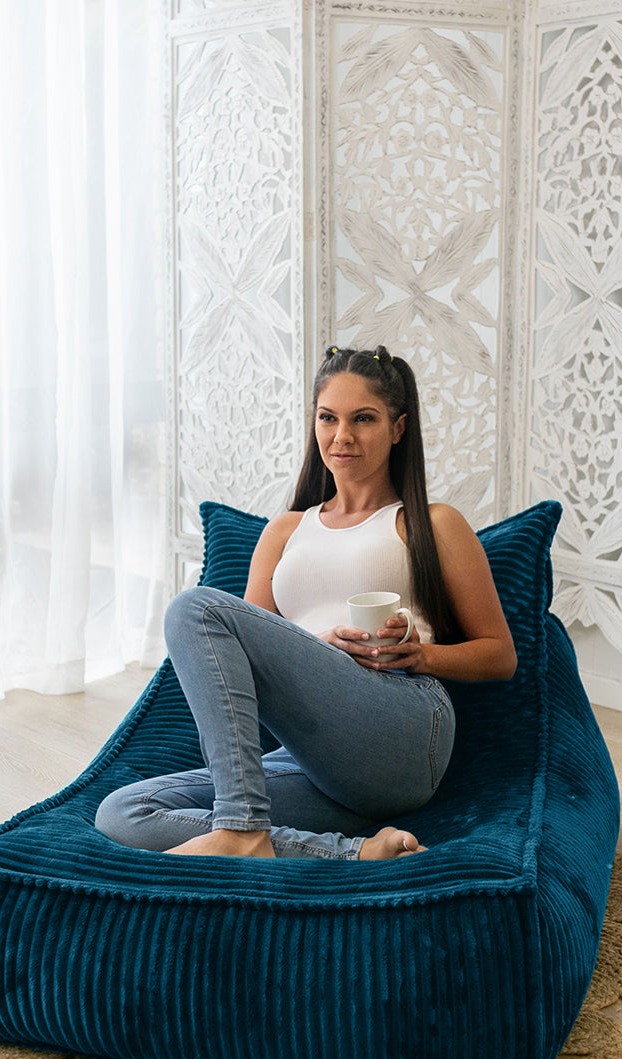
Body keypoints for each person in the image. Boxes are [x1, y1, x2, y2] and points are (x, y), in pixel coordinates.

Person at [95, 345, 516, 860]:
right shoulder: (284, 531)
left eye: (364, 419)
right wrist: (317, 646)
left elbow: (499, 655)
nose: (342, 436)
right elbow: (240, 666)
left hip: (402, 725)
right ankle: (348, 851)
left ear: (398, 428)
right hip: (314, 762)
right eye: (328, 418)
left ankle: (241, 826)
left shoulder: (432, 523)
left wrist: (421, 655)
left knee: (195, 609)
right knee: (124, 811)